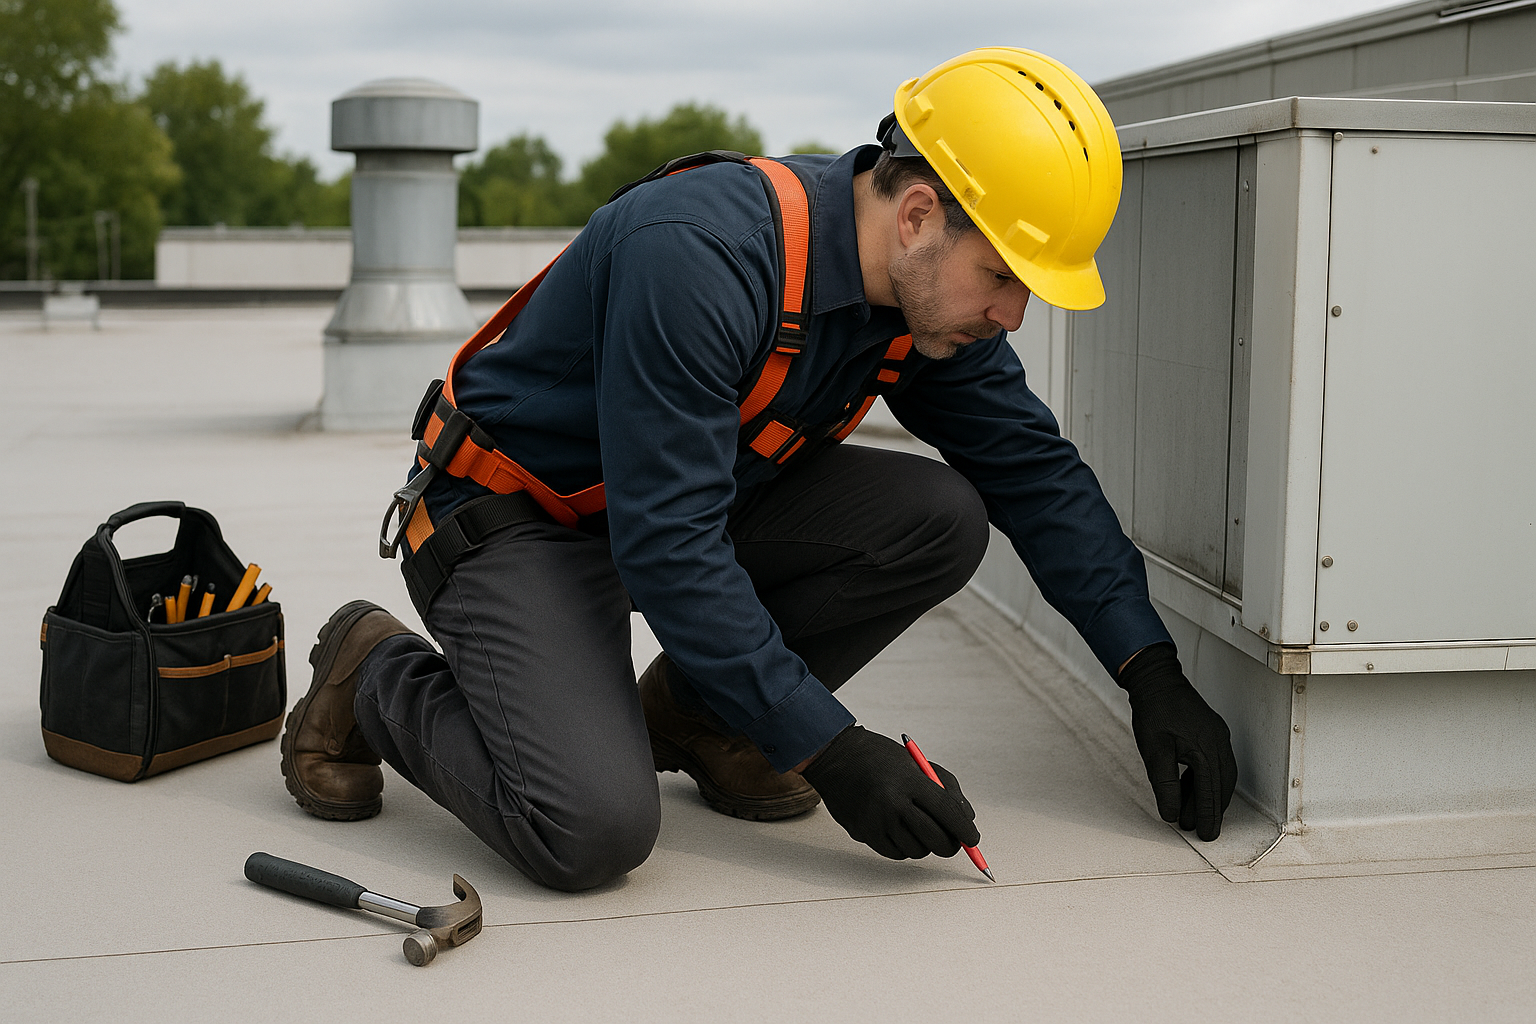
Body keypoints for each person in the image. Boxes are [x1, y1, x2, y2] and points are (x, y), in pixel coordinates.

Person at [279, 47, 1237, 892]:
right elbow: (671, 549)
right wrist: (831, 748)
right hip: (514, 523)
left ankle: (703, 718)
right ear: (916, 216)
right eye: (1004, 279)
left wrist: (1149, 670)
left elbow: (1035, 473)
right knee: (591, 831)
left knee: (941, 515)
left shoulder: (921, 308)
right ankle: (375, 672)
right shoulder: (701, 256)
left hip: (670, 516)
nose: (1014, 317)